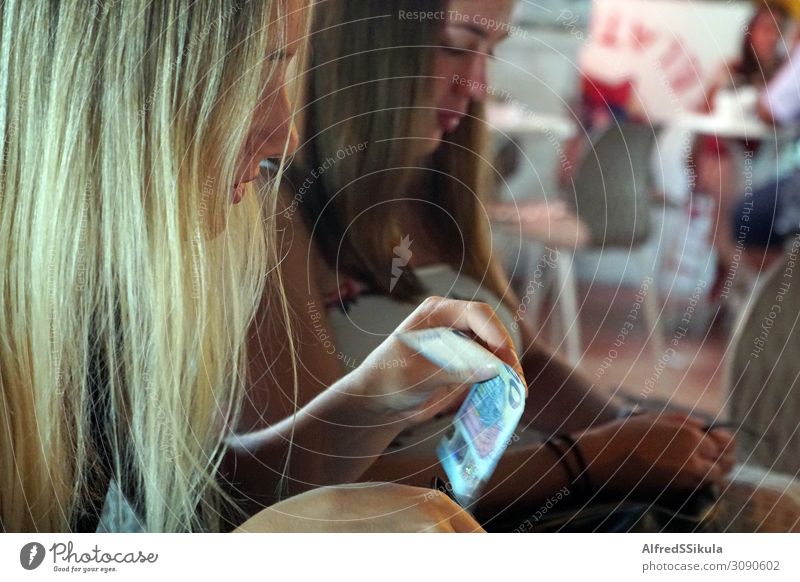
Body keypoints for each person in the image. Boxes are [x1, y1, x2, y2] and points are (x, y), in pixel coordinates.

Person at [0, 0, 522, 533]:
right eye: (253, 72)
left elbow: (198, 498)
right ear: (120, 80)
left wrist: (370, 400)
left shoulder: (104, 290)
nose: (284, 135)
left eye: (284, 67)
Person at [247, 0, 740, 530]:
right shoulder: (278, 212)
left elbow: (523, 357)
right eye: (455, 46)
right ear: (364, 44)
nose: (477, 83)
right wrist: (589, 459)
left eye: (490, 52)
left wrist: (629, 425)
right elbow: (301, 491)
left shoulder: (436, 184)